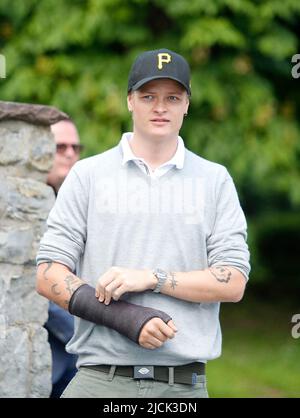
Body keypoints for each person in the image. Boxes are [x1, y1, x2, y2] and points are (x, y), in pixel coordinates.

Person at [36, 48, 250, 398]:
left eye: (172, 97)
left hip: (182, 388)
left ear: (187, 104)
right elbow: (47, 274)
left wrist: (153, 278)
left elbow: (234, 282)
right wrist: (129, 319)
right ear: (130, 101)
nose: (160, 107)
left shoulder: (215, 180)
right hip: (98, 380)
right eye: (148, 96)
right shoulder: (87, 175)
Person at [44, 119, 82, 398]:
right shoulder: (19, 209)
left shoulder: (76, 205)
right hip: (43, 363)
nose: (70, 153)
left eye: (75, 147)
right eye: (60, 147)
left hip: (79, 365)